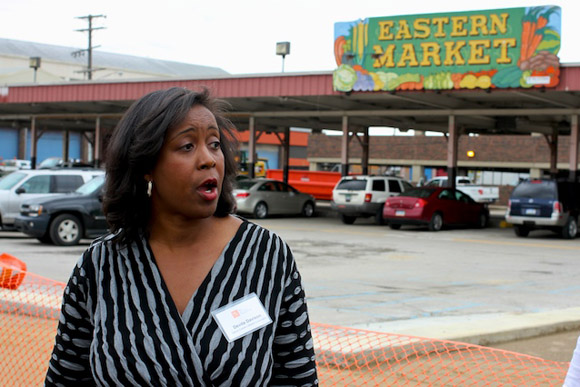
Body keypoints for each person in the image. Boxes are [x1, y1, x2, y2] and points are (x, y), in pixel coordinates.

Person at [45, 87, 318, 386]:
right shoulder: (100, 265)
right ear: (146, 165)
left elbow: (297, 378)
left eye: (214, 144)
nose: (208, 159)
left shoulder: (267, 256)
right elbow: (66, 378)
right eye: (187, 146)